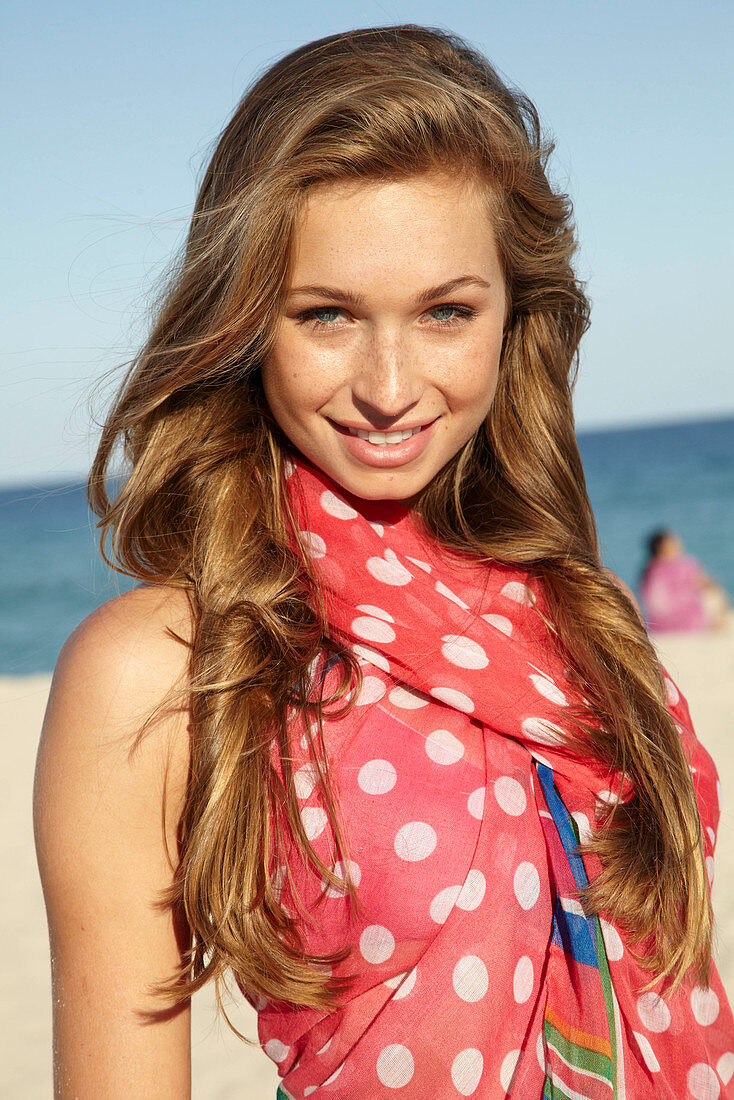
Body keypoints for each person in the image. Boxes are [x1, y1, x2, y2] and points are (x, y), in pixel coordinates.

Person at [33, 24, 734, 1099]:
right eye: (326, 316)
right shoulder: (158, 667)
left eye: (445, 311)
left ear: (512, 317)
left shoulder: (577, 622)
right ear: (242, 325)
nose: (389, 385)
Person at [639, 528, 729, 633]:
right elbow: (705, 583)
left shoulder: (648, 570)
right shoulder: (685, 565)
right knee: (713, 593)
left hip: (657, 625)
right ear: (664, 547)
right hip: (690, 621)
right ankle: (717, 624)